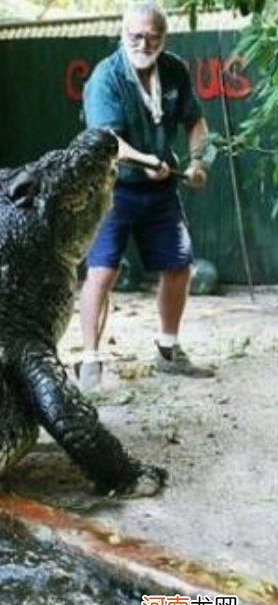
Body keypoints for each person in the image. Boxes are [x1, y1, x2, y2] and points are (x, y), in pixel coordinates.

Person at [78, 0, 214, 393]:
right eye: (135, 36)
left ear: (163, 38)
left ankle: (168, 352)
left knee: (179, 265)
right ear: (123, 34)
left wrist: (198, 160)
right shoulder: (106, 77)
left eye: (151, 37)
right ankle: (90, 360)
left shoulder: (174, 70)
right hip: (112, 189)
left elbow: (195, 120)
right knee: (102, 272)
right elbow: (107, 140)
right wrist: (145, 160)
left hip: (161, 189)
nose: (142, 43)